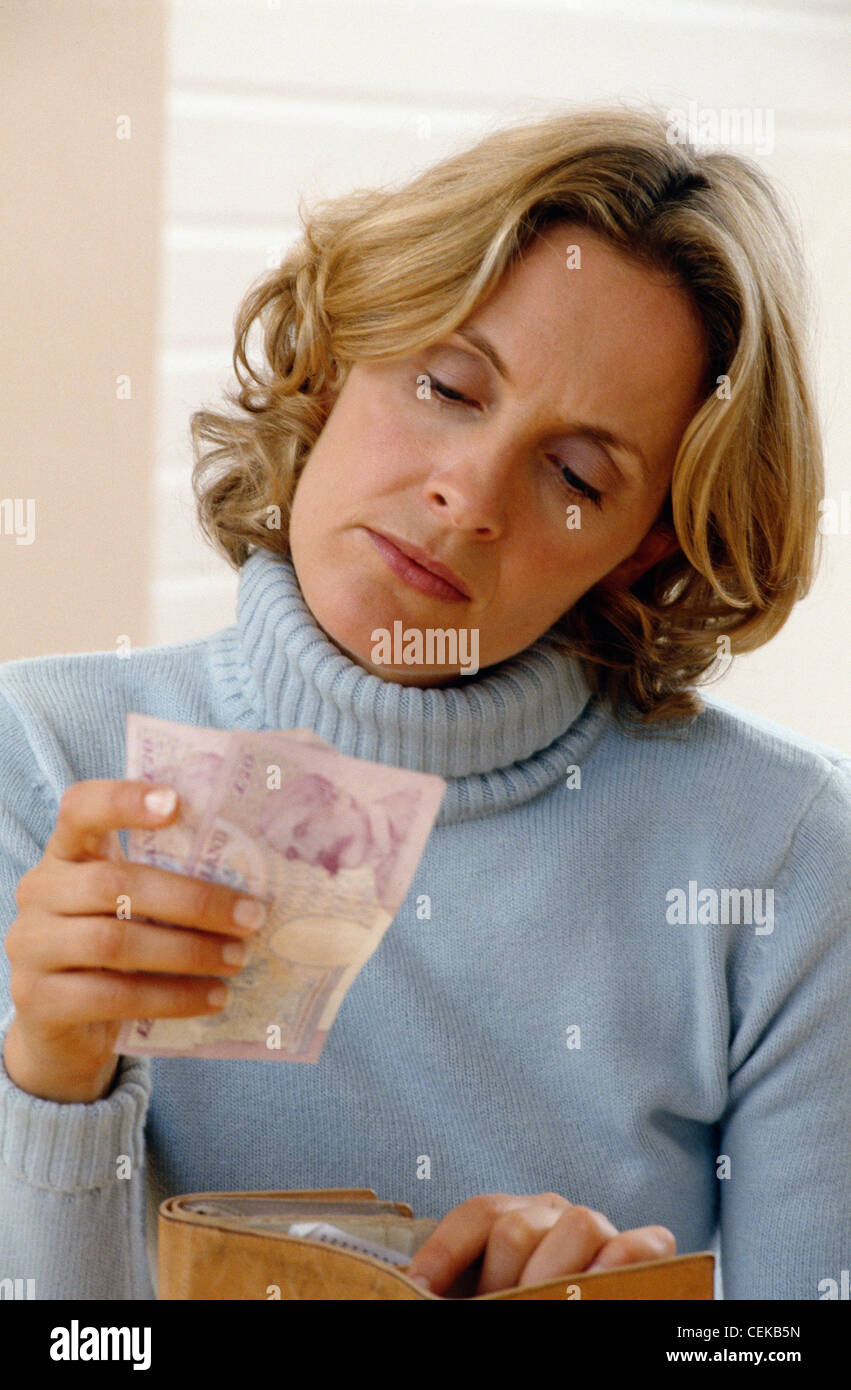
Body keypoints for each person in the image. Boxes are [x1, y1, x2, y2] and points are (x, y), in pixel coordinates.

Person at [0, 105, 847, 1302]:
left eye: (573, 474)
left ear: (638, 550)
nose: (467, 494)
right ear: (342, 350)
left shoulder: (789, 853)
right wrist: (52, 1081)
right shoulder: (38, 758)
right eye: (447, 386)